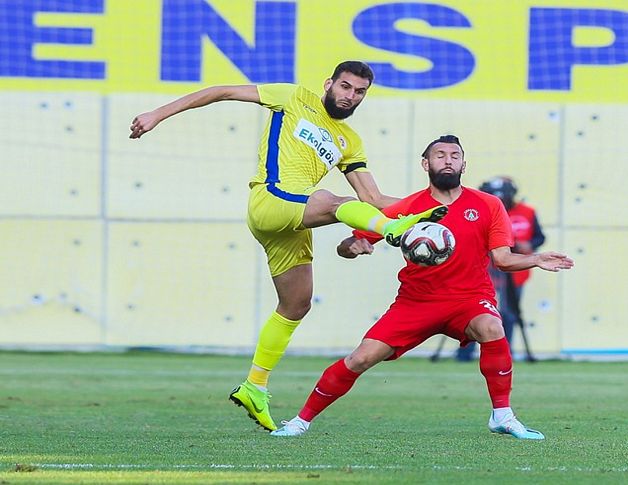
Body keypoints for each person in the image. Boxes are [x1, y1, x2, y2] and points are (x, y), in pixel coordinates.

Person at [128, 61, 447, 431]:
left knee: (296, 303)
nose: (350, 96)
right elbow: (221, 92)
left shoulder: (349, 141)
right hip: (271, 199)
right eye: (345, 87)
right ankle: (395, 234)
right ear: (329, 83)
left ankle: (254, 386)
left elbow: (372, 197)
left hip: (293, 220)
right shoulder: (294, 96)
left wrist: (430, 207)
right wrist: (157, 114)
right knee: (332, 201)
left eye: (359, 92)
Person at [271, 135, 574, 439]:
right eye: (440, 155)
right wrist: (353, 246)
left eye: (455, 155)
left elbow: (503, 260)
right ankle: (300, 421)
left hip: (468, 299)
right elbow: (351, 242)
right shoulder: (408, 208)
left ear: (464, 164)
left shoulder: (488, 205)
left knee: (493, 329)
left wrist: (536, 258)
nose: (448, 160)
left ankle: (503, 415)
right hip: (415, 303)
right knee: (361, 358)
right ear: (425, 164)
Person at [456, 176, 545, 362]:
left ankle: (504, 352)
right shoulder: (479, 211)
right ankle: (465, 354)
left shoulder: (527, 212)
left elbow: (539, 237)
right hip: (483, 270)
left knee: (508, 313)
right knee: (473, 310)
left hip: (515, 271)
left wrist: (529, 245)